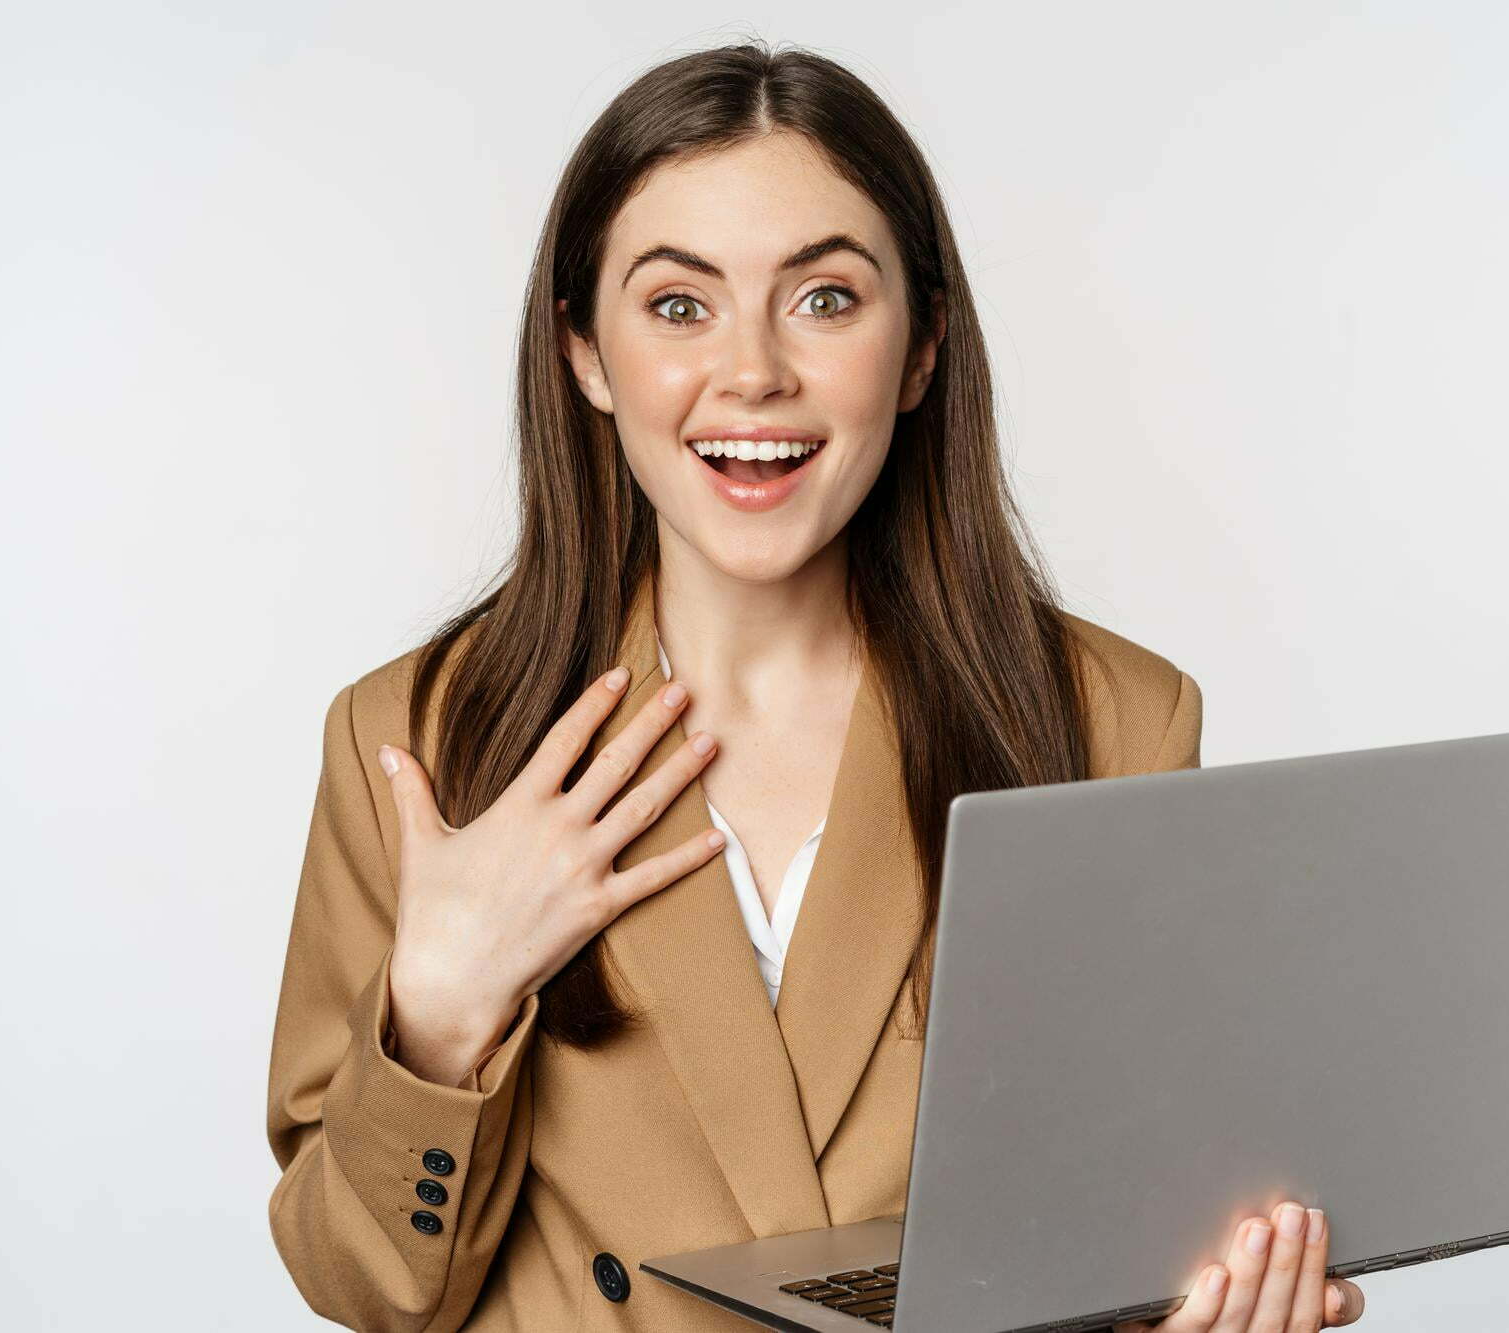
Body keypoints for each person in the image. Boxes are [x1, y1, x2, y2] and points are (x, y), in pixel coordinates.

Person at [265, 39, 1368, 1333]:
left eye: (825, 299)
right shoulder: (424, 735)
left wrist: (1204, 1305)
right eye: (679, 305)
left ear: (920, 351)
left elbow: (1120, 1225)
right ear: (585, 355)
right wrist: (438, 1018)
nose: (753, 373)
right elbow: (361, 1285)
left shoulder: (1109, 719)